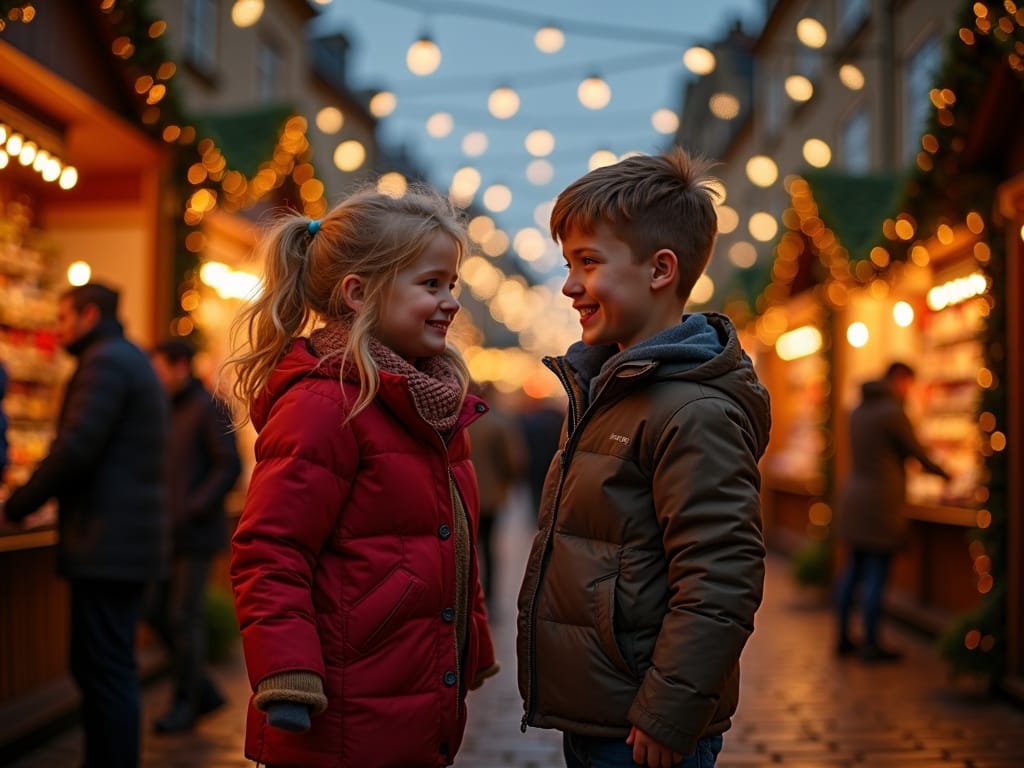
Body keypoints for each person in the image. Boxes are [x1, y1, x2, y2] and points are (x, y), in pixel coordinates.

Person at [225, 185, 498, 768]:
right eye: (431, 284)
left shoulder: (432, 402)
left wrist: (473, 637)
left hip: (412, 692)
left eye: (452, 284)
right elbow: (270, 548)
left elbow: (454, 537)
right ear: (358, 293)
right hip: (337, 708)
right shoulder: (325, 404)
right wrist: (287, 671)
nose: (451, 301)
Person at [516, 148, 771, 768]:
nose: (571, 285)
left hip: (642, 727)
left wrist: (668, 709)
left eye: (589, 262)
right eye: (568, 263)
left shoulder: (691, 412)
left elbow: (721, 574)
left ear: (660, 269)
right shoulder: (615, 390)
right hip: (602, 710)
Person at [0, 282, 168, 768]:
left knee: (105, 672)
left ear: (89, 315)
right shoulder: (123, 358)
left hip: (109, 546)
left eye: (63, 319)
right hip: (120, 544)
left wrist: (16, 506)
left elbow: (75, 448)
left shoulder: (106, 363)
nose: (58, 330)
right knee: (106, 670)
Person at [146, 339, 241, 733]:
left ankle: (186, 703)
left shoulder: (209, 406)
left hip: (195, 534)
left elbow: (229, 466)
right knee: (154, 612)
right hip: (166, 534)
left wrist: (192, 507)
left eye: (159, 368)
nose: (154, 377)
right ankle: (203, 691)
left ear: (179, 366)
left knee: (184, 618)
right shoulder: (167, 408)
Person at [834, 361, 949, 662]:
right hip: (880, 504)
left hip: (854, 500)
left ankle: (844, 637)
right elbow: (917, 453)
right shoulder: (892, 413)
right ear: (899, 380)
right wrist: (948, 475)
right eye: (909, 384)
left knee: (852, 571)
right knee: (876, 574)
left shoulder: (858, 410)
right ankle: (871, 643)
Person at [466, 382, 526, 615]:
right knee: (490, 547)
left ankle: (468, 596)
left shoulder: (462, 418)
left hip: (462, 494)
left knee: (467, 547)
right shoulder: (500, 421)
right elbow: (515, 460)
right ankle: (489, 598)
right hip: (490, 496)